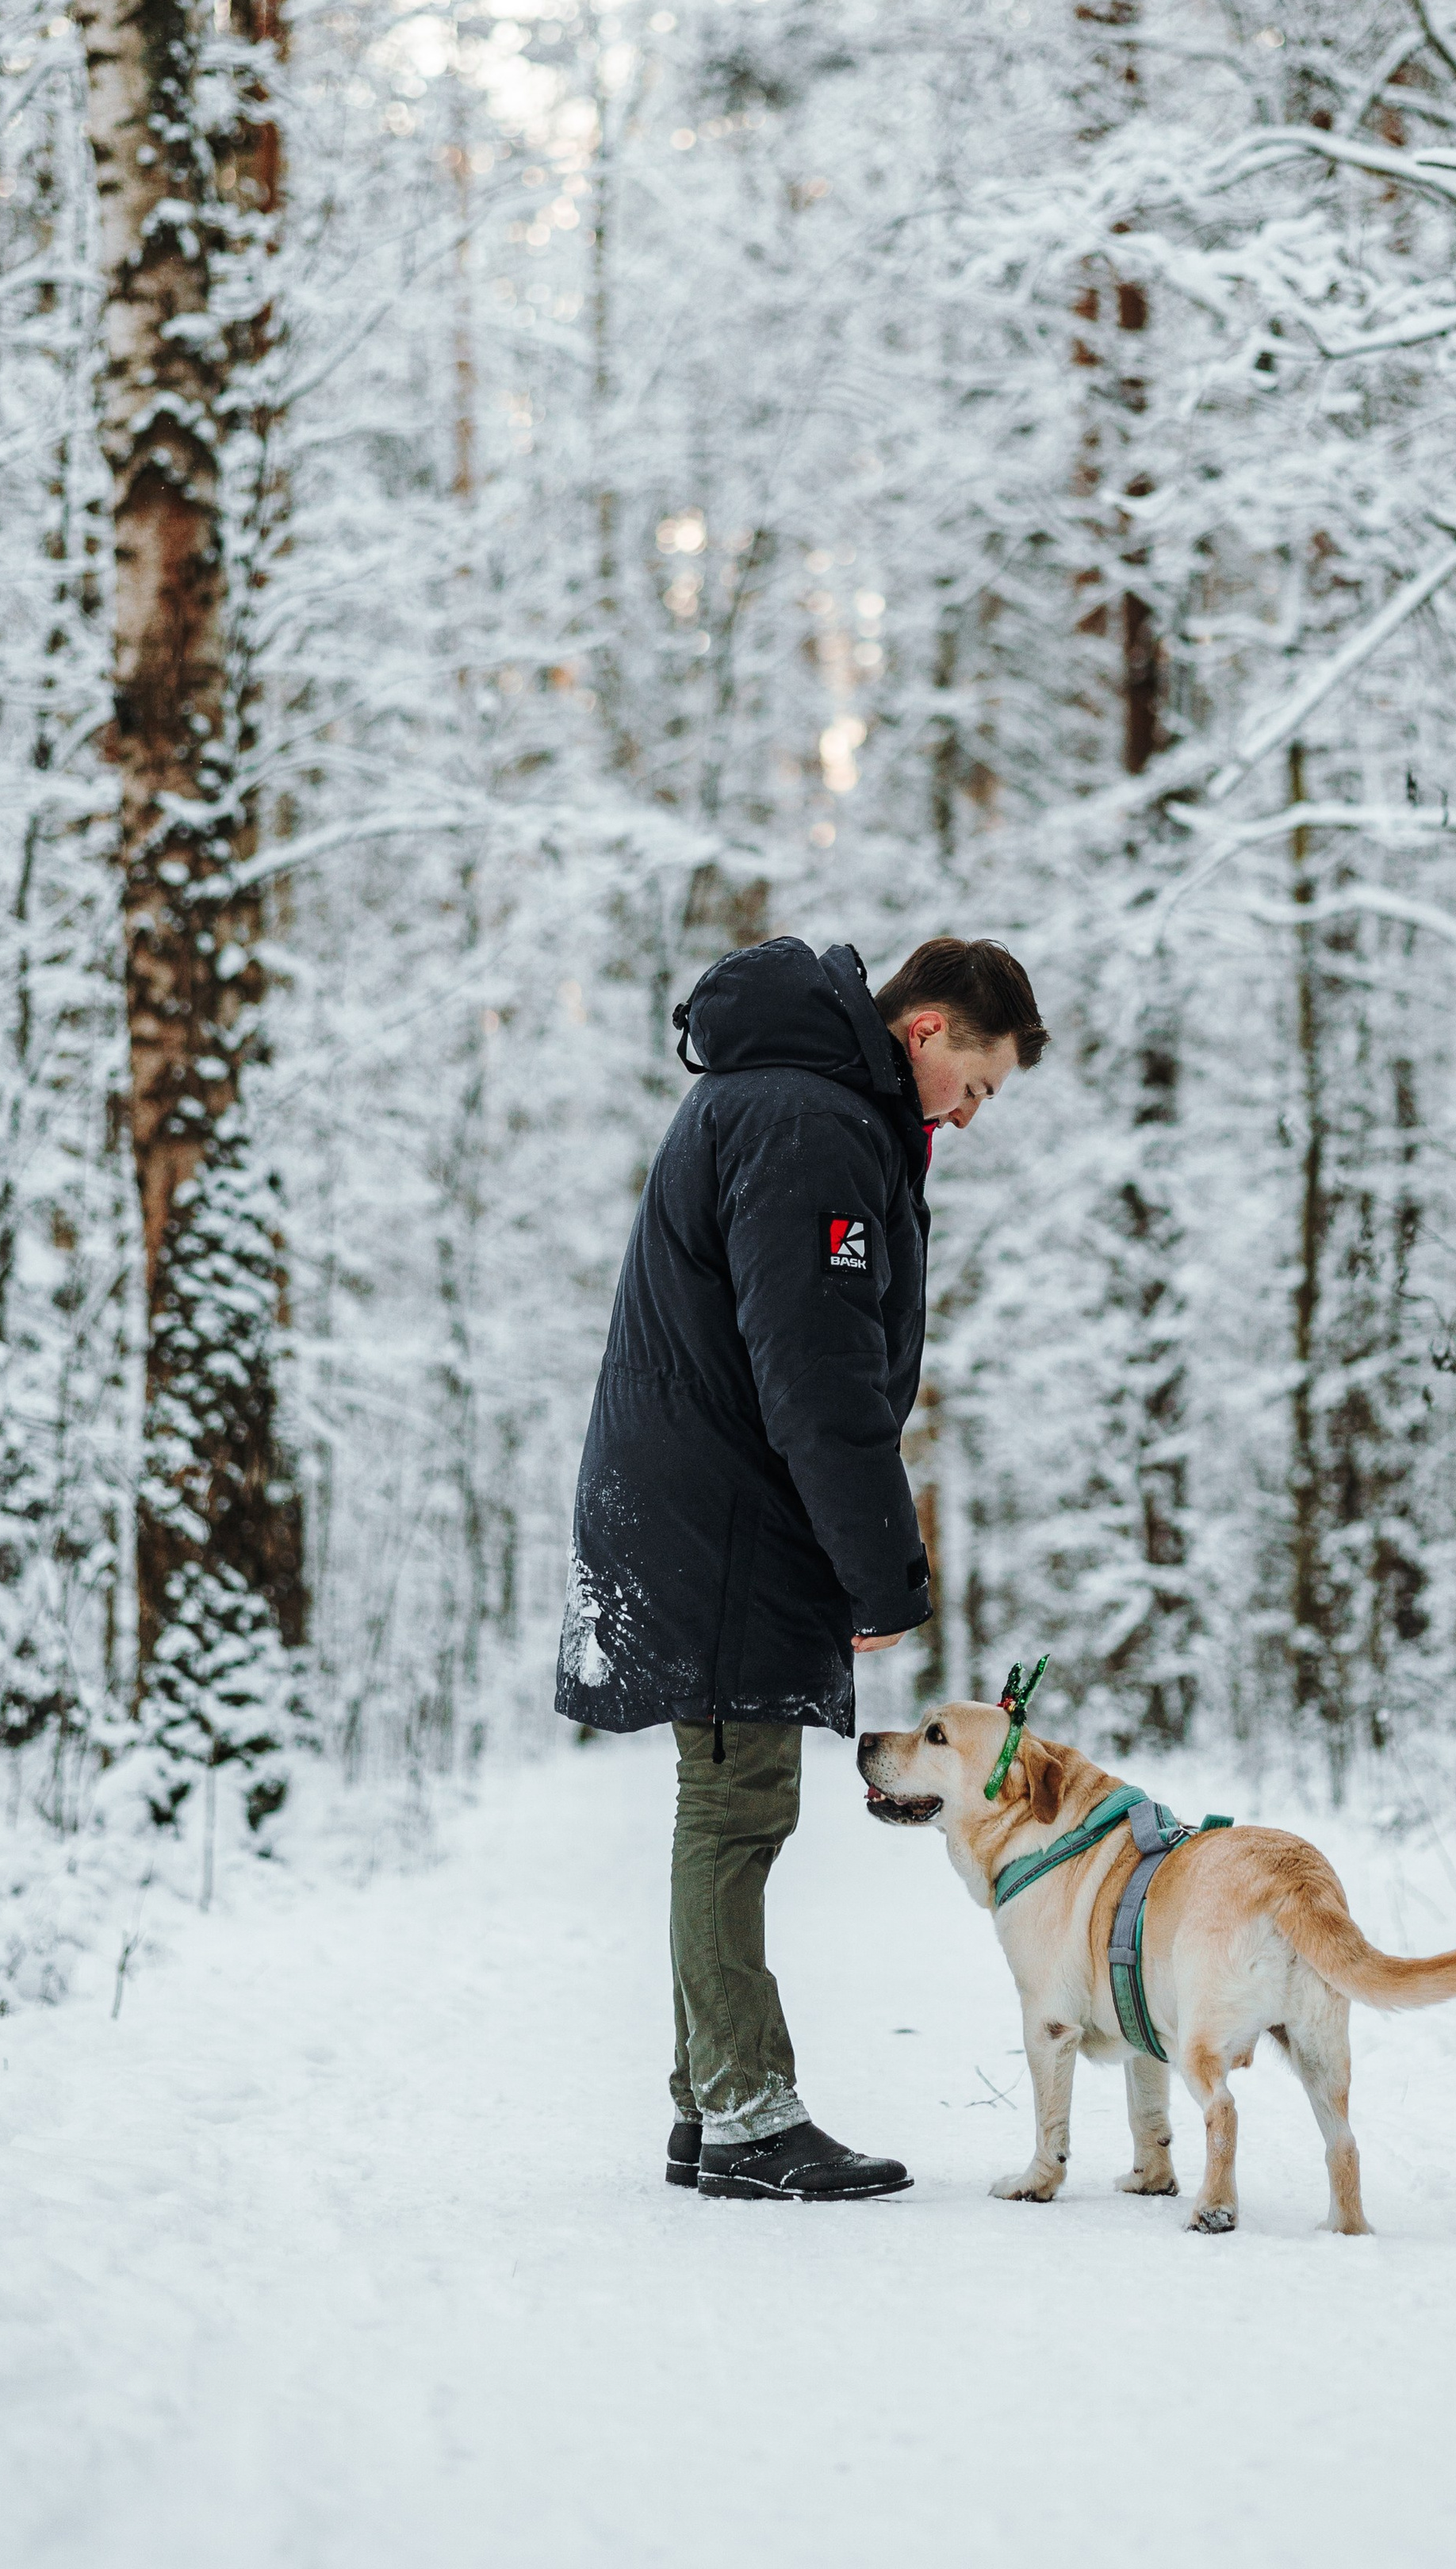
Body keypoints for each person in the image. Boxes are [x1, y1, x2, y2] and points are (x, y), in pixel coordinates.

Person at [555, 934, 1049, 2203]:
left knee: (728, 1801)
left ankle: (707, 2102)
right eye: (977, 1085)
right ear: (926, 1032)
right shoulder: (811, 1122)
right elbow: (819, 1379)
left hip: (706, 1499)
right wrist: (882, 1574)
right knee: (735, 1807)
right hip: (719, 1509)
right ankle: (746, 2117)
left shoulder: (789, 1101)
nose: (970, 1115)